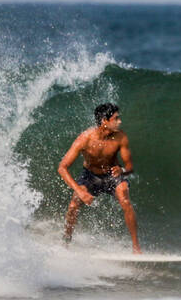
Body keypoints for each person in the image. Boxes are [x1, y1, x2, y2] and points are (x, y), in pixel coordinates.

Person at [57, 102, 141, 253]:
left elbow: (129, 167)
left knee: (125, 199)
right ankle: (66, 242)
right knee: (74, 204)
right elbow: (62, 167)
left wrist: (121, 169)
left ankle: (136, 248)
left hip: (112, 175)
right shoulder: (85, 138)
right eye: (116, 118)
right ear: (104, 120)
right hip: (90, 176)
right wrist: (80, 191)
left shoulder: (121, 137)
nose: (120, 121)